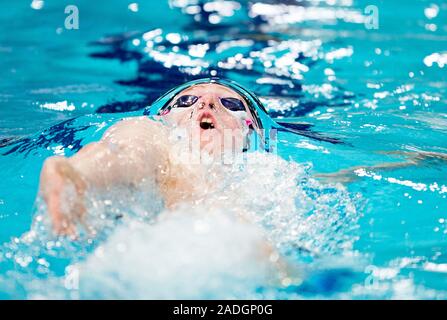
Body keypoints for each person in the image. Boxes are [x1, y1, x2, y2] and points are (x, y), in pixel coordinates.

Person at [38, 78, 272, 236]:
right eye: (185, 101)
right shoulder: (151, 134)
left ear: (251, 132)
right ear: (165, 117)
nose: (206, 103)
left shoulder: (269, 175)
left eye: (230, 103)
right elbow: (123, 153)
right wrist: (77, 173)